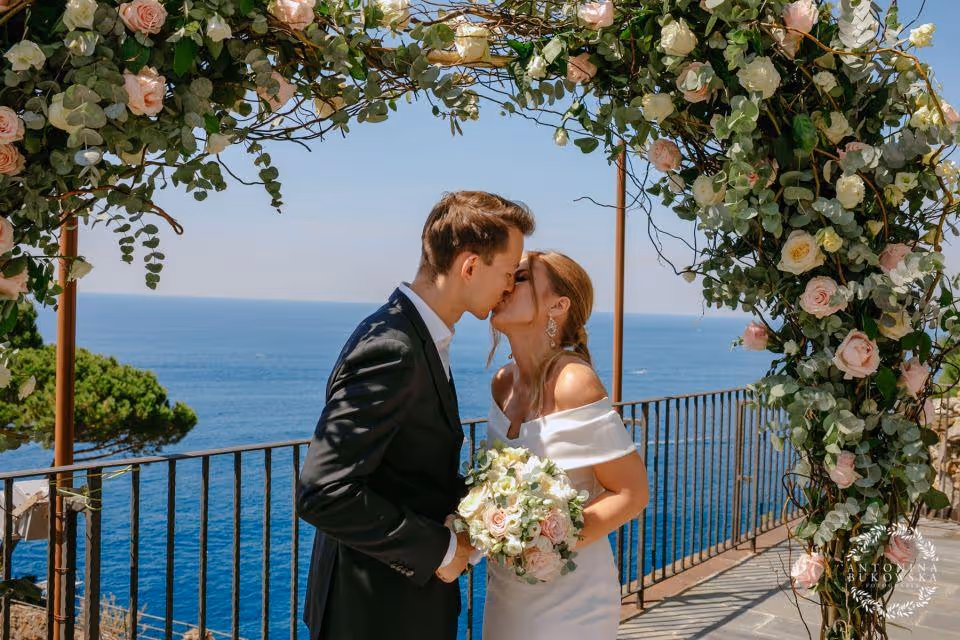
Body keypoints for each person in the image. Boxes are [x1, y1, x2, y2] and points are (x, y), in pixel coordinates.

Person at [296, 191, 535, 640]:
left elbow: (409, 472)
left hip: (396, 605)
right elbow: (323, 491)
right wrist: (443, 551)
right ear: (469, 266)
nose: (509, 286)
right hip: (374, 612)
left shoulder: (414, 334)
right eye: (506, 272)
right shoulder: (394, 347)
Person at [483, 250, 650, 639]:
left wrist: (549, 541)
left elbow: (632, 492)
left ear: (558, 306)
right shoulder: (502, 383)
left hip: (570, 597)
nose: (505, 285)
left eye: (519, 277)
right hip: (506, 587)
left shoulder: (574, 383)